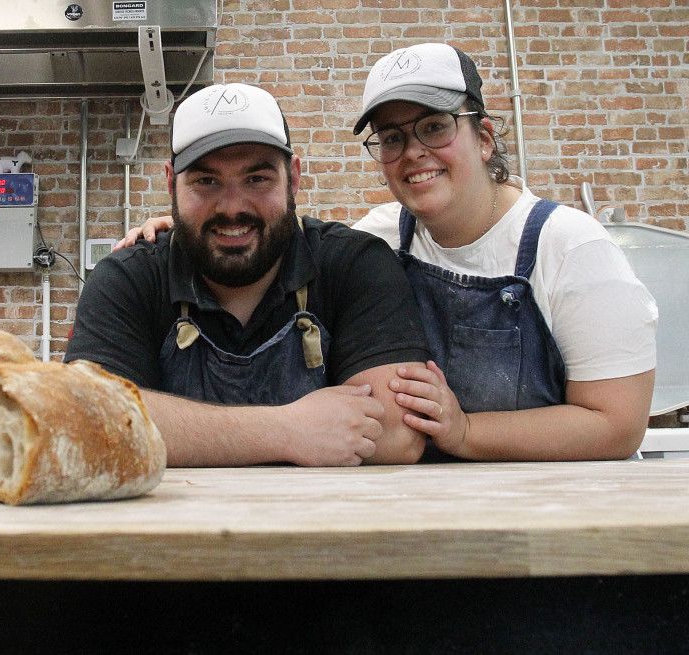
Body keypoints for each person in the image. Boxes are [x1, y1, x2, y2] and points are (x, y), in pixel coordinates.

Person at [114, 44, 658, 462]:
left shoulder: (568, 247)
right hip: (430, 509)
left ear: (485, 137)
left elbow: (616, 425)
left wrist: (468, 432)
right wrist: (189, 230)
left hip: (557, 511)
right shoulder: (382, 236)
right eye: (392, 137)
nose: (413, 151)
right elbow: (278, 232)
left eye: (434, 127)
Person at [65, 82, 432, 467]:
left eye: (257, 179)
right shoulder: (129, 279)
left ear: (293, 178)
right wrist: (286, 431)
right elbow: (87, 421)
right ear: (172, 184)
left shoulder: (354, 264)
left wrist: (160, 424)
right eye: (206, 181)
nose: (233, 207)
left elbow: (396, 434)